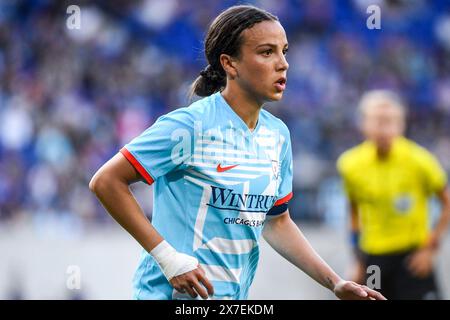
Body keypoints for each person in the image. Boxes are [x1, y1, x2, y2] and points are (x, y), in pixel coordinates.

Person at [89, 5, 385, 300]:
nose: (283, 64)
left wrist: (334, 283)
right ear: (230, 64)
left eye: (284, 51)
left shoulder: (278, 135)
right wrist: (168, 258)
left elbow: (277, 221)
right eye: (267, 52)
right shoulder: (190, 126)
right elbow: (106, 181)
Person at [337, 90, 450, 300]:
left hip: (412, 258)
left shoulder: (420, 161)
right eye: (378, 120)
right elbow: (354, 213)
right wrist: (357, 259)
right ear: (364, 124)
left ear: (401, 125)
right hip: (374, 260)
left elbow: (447, 203)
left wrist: (429, 250)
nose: (384, 128)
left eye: (390, 121)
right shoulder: (350, 164)